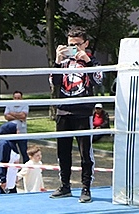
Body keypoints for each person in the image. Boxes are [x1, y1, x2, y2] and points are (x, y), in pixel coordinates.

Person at [49, 26, 102, 203]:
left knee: (85, 153)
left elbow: (98, 80)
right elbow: (54, 82)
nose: (74, 48)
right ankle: (65, 185)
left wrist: (86, 60)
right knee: (62, 152)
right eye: (70, 44)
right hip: (63, 110)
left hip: (83, 111)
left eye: (77, 45)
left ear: (86, 43)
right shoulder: (64, 62)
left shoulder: (93, 61)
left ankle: (86, 188)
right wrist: (57, 61)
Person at [4, 90, 29, 163]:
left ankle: (26, 167)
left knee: (24, 152)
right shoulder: (9, 104)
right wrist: (18, 117)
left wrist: (12, 114)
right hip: (11, 132)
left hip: (22, 132)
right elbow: (6, 116)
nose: (16, 100)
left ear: (22, 98)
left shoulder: (25, 104)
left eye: (19, 98)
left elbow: (23, 115)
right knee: (12, 152)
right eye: (15, 98)